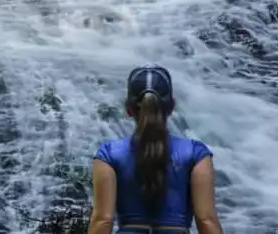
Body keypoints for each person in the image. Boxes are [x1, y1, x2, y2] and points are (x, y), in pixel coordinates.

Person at [88, 65, 223, 234]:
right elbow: (206, 220)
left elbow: (103, 220)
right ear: (171, 107)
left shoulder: (109, 155)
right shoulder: (196, 154)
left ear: (128, 109)